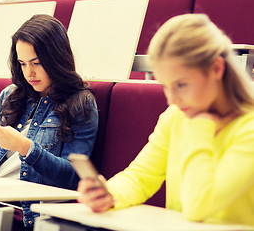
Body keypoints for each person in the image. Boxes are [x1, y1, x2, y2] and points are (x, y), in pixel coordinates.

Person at [77, 13, 254, 227]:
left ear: (216, 69)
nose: (172, 99)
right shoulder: (176, 115)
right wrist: (109, 194)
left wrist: (200, 127)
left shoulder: (248, 127)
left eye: (181, 85)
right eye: (166, 86)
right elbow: (140, 177)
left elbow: (199, 205)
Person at [0, 14, 99, 228]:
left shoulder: (80, 104)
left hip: (25, 213)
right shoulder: (10, 95)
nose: (29, 73)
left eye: (36, 63)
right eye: (23, 63)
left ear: (56, 59)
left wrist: (26, 148)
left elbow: (73, 177)